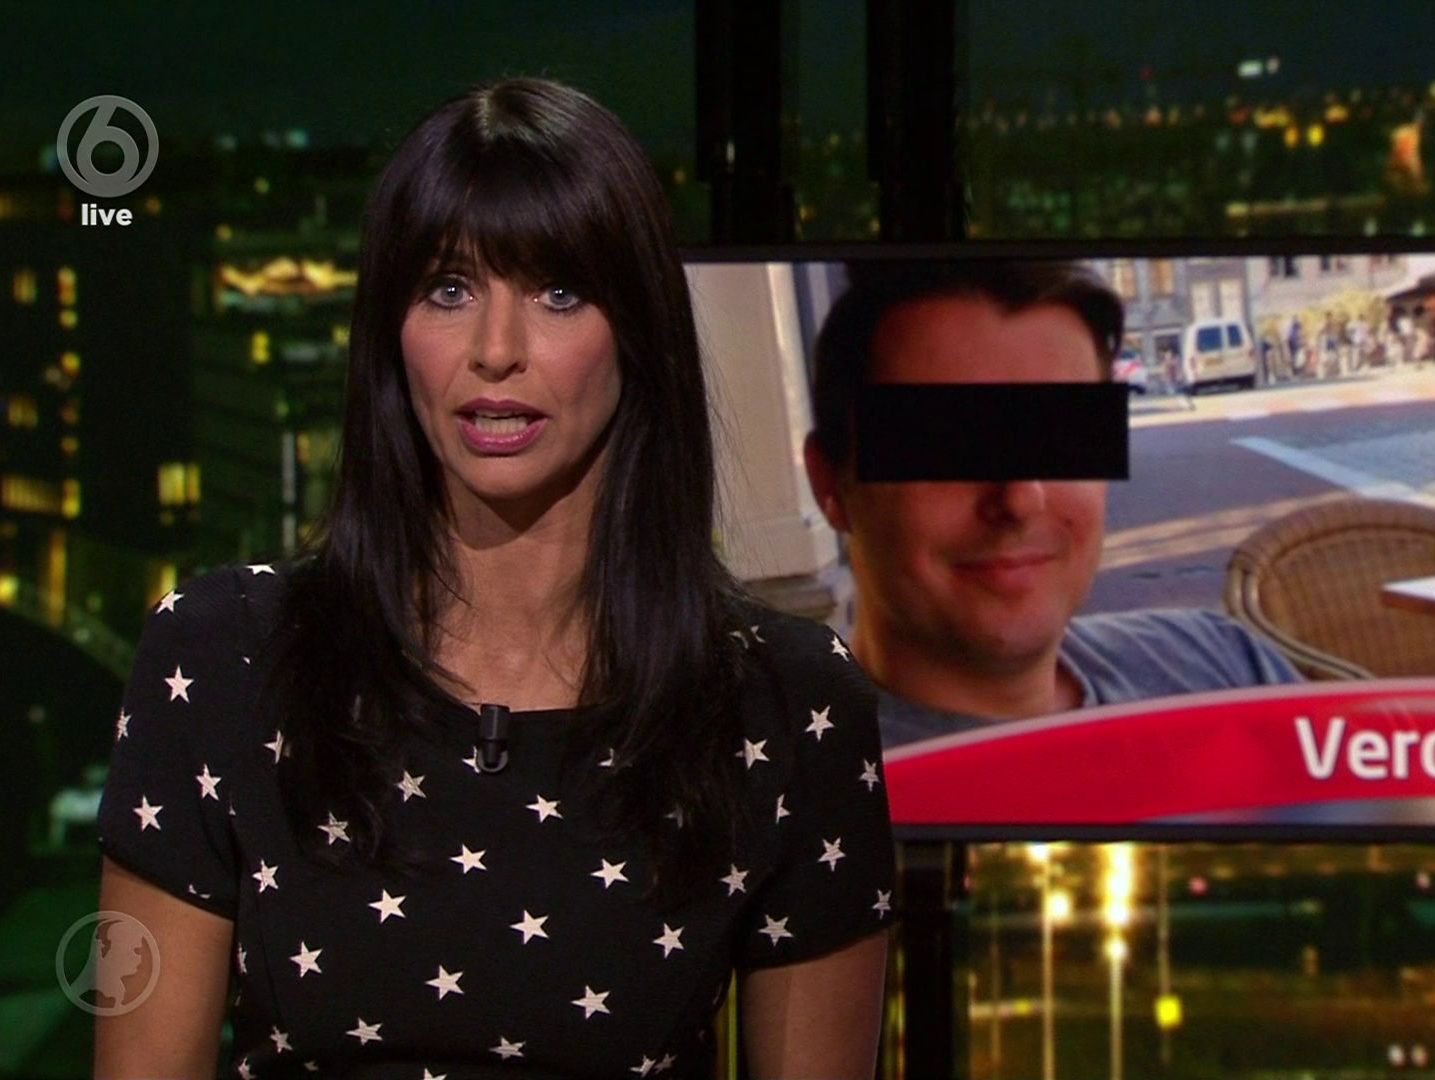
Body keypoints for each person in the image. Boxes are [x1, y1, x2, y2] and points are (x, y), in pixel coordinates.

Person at [95, 78, 894, 1080]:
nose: (496, 352)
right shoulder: (224, 657)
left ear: (638, 330)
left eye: (558, 293)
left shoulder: (784, 705)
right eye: (448, 290)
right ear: (390, 331)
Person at [800, 262, 1301, 749]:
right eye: (947, 441)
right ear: (830, 485)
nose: (1020, 498)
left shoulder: (1227, 665)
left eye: (1062, 436)